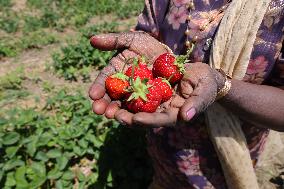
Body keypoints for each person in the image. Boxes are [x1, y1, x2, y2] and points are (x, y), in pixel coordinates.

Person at [89, 0, 284, 188]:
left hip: (230, 141)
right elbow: (148, 30)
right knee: (165, 176)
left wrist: (222, 85)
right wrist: (142, 44)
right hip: (165, 134)